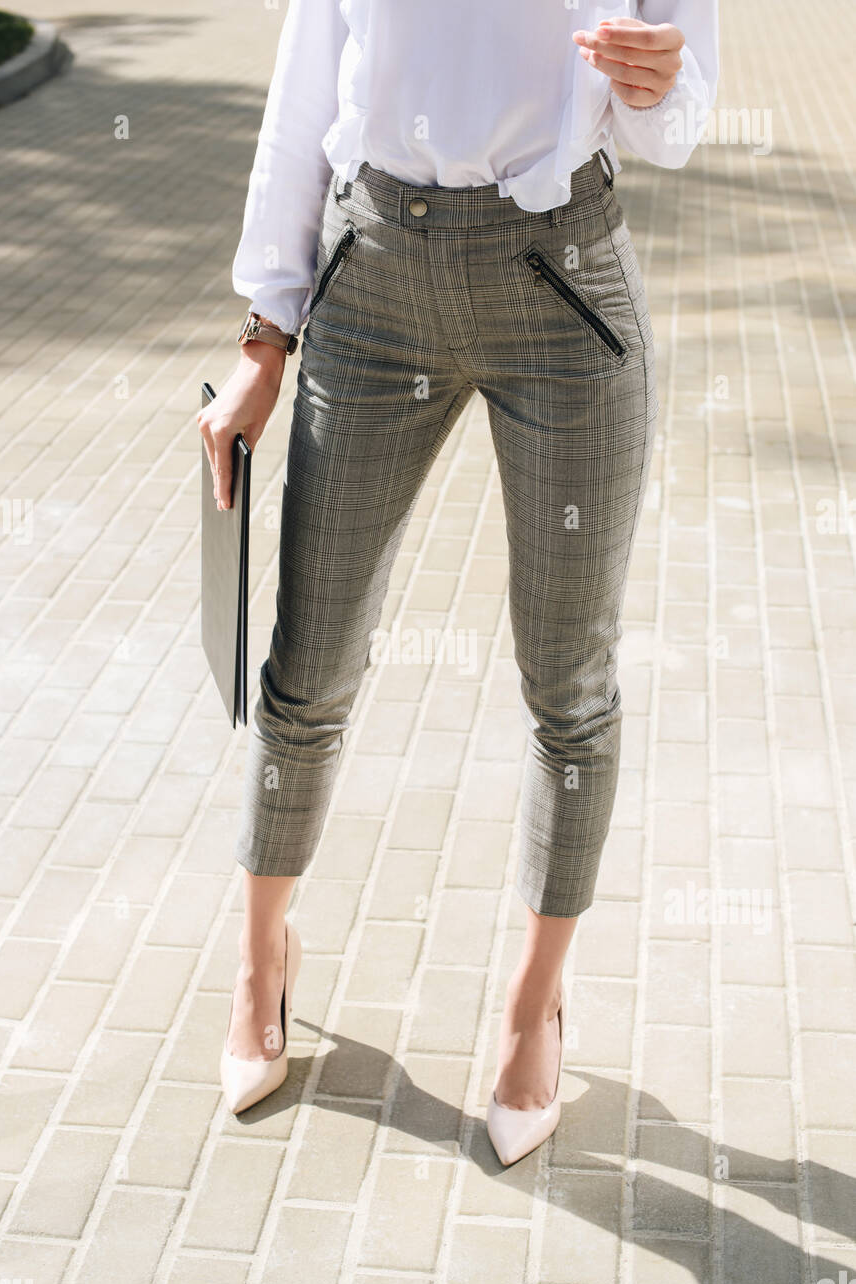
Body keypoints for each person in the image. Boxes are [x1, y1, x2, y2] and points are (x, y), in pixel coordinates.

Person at [198, 0, 719, 1165]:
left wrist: (653, 88)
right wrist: (259, 336)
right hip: (371, 277)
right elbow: (302, 93)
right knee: (309, 661)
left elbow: (679, 123)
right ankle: (257, 958)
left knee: (567, 681)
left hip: (562, 284)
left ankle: (535, 1005)